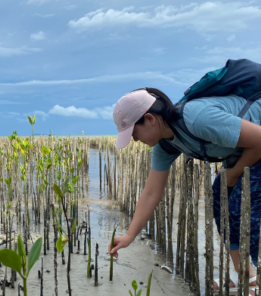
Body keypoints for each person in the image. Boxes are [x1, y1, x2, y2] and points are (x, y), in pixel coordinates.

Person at [108, 88, 261, 294]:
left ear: (150, 118)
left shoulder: (197, 118)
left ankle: (251, 281)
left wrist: (233, 174)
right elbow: (151, 193)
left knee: (239, 208)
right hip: (244, 151)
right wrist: (129, 236)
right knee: (220, 202)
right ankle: (240, 272)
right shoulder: (165, 146)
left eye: (134, 132)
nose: (135, 140)